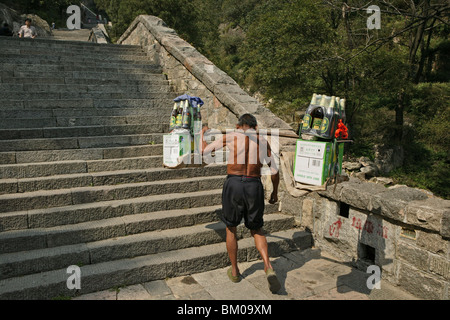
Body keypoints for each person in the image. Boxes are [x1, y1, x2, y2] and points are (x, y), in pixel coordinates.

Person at [201, 113, 281, 293]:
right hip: (254, 184)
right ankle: (268, 266)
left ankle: (235, 271)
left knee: (231, 228)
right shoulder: (262, 142)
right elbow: (274, 172)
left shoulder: (230, 136)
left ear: (239, 126)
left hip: (234, 184)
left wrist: (202, 134)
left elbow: (203, 152)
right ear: (254, 127)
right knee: (257, 229)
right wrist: (275, 192)